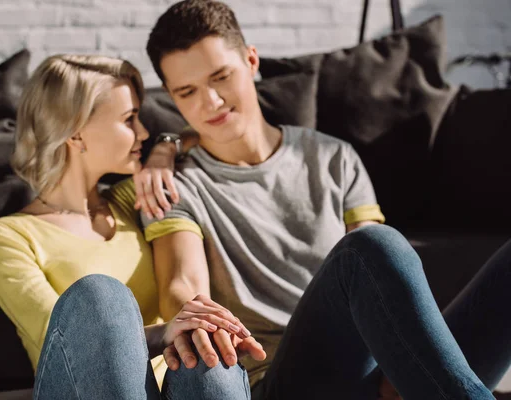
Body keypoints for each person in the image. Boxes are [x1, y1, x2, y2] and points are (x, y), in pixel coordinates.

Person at [139, 1, 511, 399]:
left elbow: (385, 288)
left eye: (220, 77)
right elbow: (183, 283)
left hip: (382, 374)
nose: (210, 102)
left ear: (251, 61)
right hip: (286, 380)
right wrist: (193, 318)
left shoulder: (334, 157)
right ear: (173, 100)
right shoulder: (173, 184)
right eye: (187, 91)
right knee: (369, 247)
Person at [0, 54, 266, 400]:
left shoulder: (134, 198)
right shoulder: (7, 237)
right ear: (76, 130)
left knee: (207, 356)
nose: (143, 132)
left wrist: (164, 149)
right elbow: (65, 339)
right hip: (79, 387)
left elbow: (201, 134)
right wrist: (166, 332)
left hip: (172, 386)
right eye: (130, 119)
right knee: (101, 295)